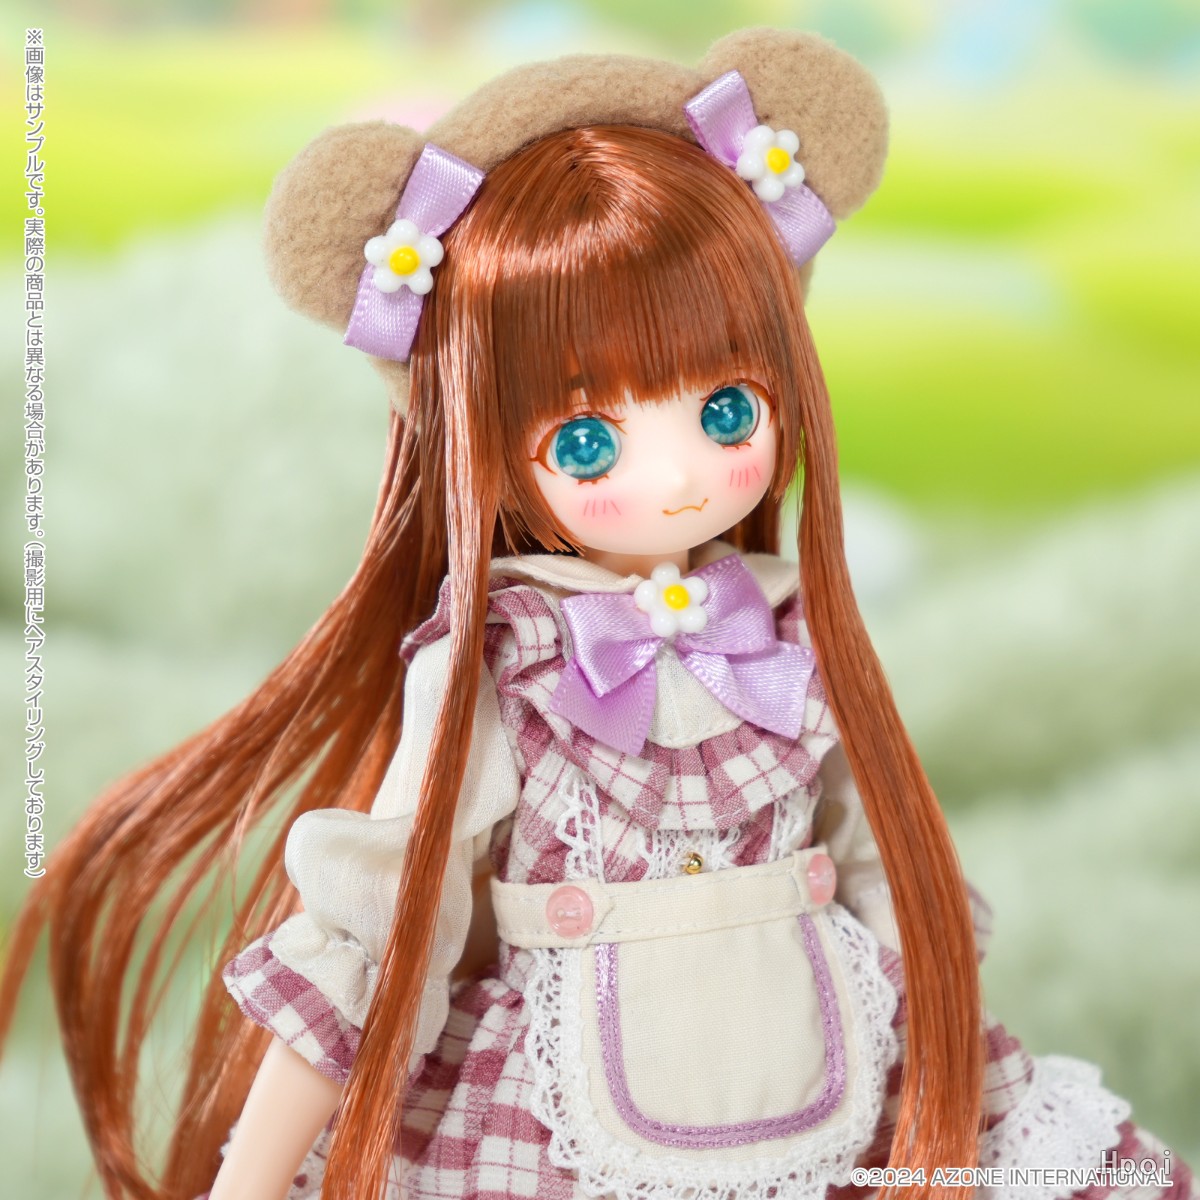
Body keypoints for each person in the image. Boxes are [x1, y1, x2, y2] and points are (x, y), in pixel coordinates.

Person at [1, 28, 1191, 1200]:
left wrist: (940, 1066)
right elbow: (382, 927)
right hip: (565, 1117)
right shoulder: (506, 666)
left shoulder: (790, 640)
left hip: (828, 1071)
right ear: (488, 451)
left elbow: (883, 877)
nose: (676, 477)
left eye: (726, 412)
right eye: (585, 441)